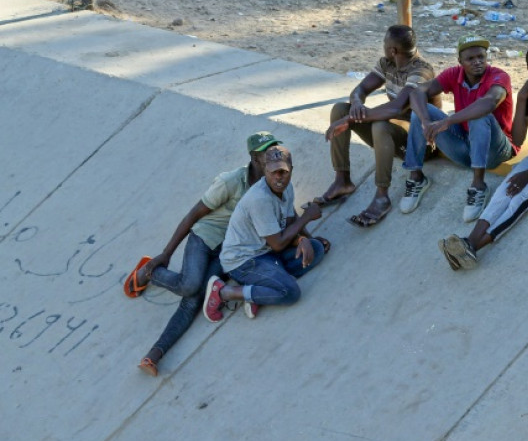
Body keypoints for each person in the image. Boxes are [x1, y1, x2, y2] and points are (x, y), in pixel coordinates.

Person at [123, 131, 281, 376]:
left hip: (229, 251)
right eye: (266, 152)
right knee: (190, 285)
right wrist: (166, 253)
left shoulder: (275, 182)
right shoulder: (231, 181)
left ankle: (153, 356)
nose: (273, 155)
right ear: (254, 157)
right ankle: (150, 271)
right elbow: (193, 215)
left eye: (274, 149)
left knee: (194, 299)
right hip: (205, 238)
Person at [437, 44, 528, 269]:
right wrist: (523, 98)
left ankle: (474, 247)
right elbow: (517, 138)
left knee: (521, 199)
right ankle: (468, 241)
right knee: (505, 190)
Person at [316, 24, 440, 228]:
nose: (382, 46)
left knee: (380, 125)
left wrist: (351, 120)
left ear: (393, 50)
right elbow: (360, 89)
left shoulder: (421, 70)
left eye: (384, 43)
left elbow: (396, 107)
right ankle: (342, 180)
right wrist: (356, 103)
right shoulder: (387, 63)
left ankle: (382, 196)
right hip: (393, 134)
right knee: (340, 109)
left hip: (420, 143)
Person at [203, 145, 329, 321]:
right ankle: (225, 292)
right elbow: (277, 243)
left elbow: (288, 225)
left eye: (283, 172)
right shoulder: (259, 199)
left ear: (291, 170)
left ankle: (261, 289)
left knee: (316, 248)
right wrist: (306, 217)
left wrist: (303, 239)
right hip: (244, 261)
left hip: (267, 252)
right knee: (290, 292)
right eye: (272, 172)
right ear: (265, 170)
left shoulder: (286, 188)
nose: (278, 177)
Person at [402, 35, 517, 221]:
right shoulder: (454, 74)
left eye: (481, 56)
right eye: (470, 58)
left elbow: (489, 103)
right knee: (420, 113)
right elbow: (417, 92)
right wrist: (426, 121)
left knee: (479, 116)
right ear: (460, 61)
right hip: (466, 148)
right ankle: (416, 177)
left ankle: (478, 186)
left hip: (495, 151)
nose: (477, 62)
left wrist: (448, 121)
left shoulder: (499, 76)